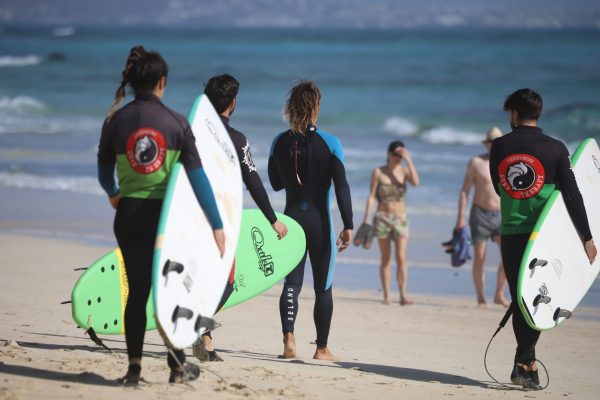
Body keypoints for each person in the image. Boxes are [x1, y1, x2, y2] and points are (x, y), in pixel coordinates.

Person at [97, 46, 225, 385]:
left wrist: (113, 194)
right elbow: (198, 180)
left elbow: (103, 170)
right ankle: (176, 366)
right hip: (165, 223)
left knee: (137, 291)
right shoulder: (176, 123)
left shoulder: (115, 121)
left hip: (127, 217)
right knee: (171, 290)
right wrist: (217, 224)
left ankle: (134, 369)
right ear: (162, 82)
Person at [489, 88, 597, 389]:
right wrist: (586, 237)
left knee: (523, 298)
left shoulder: (499, 146)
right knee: (533, 299)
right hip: (549, 236)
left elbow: (500, 187)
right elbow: (573, 196)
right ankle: (525, 363)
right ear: (539, 113)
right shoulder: (556, 148)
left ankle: (525, 363)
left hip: (512, 231)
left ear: (513, 114)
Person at [193, 73, 289, 362]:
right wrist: (273, 219)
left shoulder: (190, 133)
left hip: (188, 215)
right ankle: (197, 323)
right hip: (221, 221)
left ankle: (206, 342)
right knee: (226, 282)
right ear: (233, 103)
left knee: (198, 278)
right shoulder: (237, 140)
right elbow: (254, 182)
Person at [268, 80, 353, 361]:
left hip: (291, 220)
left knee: (291, 284)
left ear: (291, 107)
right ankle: (321, 348)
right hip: (320, 224)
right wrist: (349, 224)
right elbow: (341, 187)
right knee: (323, 287)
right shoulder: (331, 143)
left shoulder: (279, 142)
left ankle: (288, 341)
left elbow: (276, 184)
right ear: (316, 107)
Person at [456, 127, 509, 308]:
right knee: (480, 256)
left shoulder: (508, 164)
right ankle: (480, 297)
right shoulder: (476, 162)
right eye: (491, 142)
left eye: (497, 143)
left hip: (502, 214)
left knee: (508, 257)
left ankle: (499, 294)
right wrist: (460, 218)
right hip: (480, 214)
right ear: (486, 144)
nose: (494, 146)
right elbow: (465, 191)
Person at [361, 141, 420, 305]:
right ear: (388, 154)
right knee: (386, 258)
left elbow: (416, 183)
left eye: (400, 155)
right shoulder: (378, 172)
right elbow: (372, 195)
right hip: (382, 218)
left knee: (401, 257)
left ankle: (402, 295)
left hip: (400, 219)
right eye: (396, 154)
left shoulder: (405, 171)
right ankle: (387, 296)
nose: (398, 158)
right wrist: (367, 217)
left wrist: (408, 160)